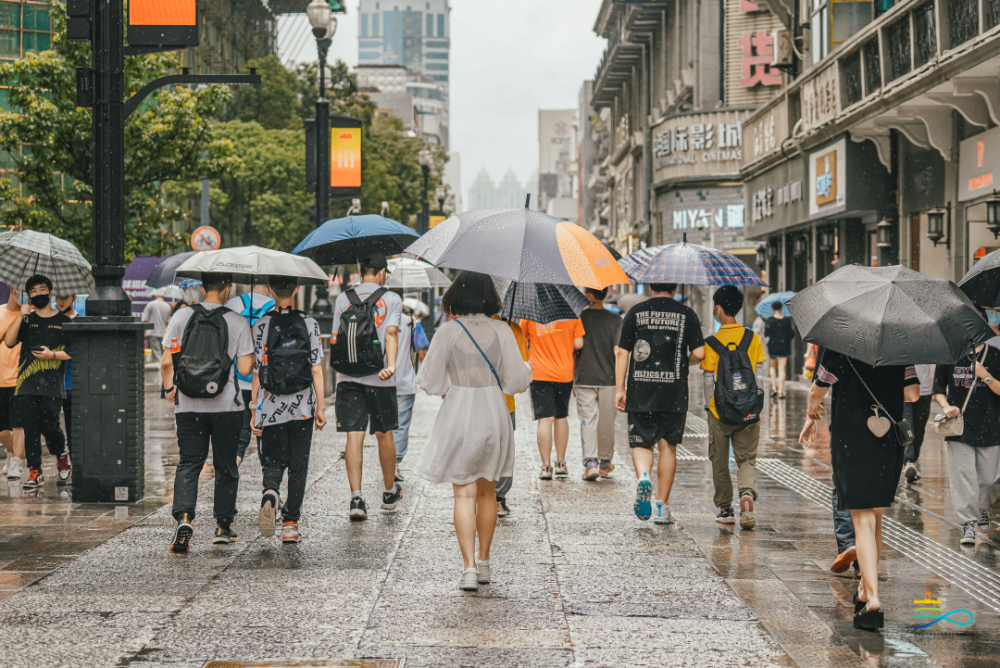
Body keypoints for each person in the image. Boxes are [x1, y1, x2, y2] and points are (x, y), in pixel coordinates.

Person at [414, 271, 532, 590]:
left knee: (463, 493)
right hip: (494, 411)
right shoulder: (502, 329)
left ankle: (467, 568)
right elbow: (517, 381)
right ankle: (484, 561)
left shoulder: (448, 331)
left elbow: (430, 381)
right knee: (487, 492)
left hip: (459, 412)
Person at [800, 351, 918, 630]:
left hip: (852, 438)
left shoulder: (840, 345)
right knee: (876, 519)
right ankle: (865, 588)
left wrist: (812, 409)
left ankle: (874, 599)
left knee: (862, 520)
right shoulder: (898, 345)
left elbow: (819, 386)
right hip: (888, 439)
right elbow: (912, 394)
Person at [161, 273, 254, 552]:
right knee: (225, 465)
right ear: (228, 288)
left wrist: (169, 389)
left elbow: (167, 362)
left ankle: (185, 517)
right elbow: (246, 369)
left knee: (189, 462)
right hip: (227, 406)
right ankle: (223, 526)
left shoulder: (181, 316)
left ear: (202, 287)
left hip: (188, 405)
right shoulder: (237, 321)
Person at [615, 283, 705, 524]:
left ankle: (644, 476)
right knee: (668, 446)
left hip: (640, 389)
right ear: (675, 287)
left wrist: (619, 389)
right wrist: (686, 361)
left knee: (642, 443)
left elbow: (622, 352)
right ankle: (662, 508)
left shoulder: (636, 312)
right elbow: (700, 353)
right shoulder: (687, 314)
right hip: (674, 391)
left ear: (651, 286)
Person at [251, 276, 326, 544]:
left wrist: (254, 411)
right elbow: (316, 368)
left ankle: (270, 491)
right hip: (303, 406)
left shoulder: (261, 325)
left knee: (272, 459)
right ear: (296, 288)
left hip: (270, 406)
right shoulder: (309, 324)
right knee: (298, 465)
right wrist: (321, 407)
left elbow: (258, 373)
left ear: (270, 290)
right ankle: (290, 524)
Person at [332, 252, 402, 521]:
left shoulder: (343, 298)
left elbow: (337, 338)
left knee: (354, 434)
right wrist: (392, 365)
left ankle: (357, 497)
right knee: (384, 433)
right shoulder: (392, 298)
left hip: (347, 376)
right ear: (382, 272)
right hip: (380, 376)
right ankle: (388, 492)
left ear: (361, 271)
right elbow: (392, 333)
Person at [700, 285, 766, 529]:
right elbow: (759, 377)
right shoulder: (753, 338)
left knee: (718, 460)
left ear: (717, 308)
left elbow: (708, 379)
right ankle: (747, 494)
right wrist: (757, 409)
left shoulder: (711, 343)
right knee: (747, 459)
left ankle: (726, 508)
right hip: (748, 409)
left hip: (720, 411)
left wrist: (710, 407)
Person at [933, 311, 1000, 545]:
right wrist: (946, 405)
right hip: (959, 427)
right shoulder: (950, 355)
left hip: (991, 425)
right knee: (963, 477)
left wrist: (987, 377)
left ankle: (982, 508)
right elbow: (938, 390)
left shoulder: (996, 356)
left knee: (991, 480)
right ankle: (968, 525)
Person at [3, 275, 71, 488]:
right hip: (26, 384)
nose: (38, 294)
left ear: (50, 293)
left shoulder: (63, 322)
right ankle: (35, 472)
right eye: (33, 291)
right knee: (30, 428)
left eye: (42, 290)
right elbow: (9, 341)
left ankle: (61, 454)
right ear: (29, 296)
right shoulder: (26, 319)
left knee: (51, 427)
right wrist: (19, 315)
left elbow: (72, 352)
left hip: (52, 384)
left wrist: (52, 355)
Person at [521, 317, 585, 479]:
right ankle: (560, 462)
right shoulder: (570, 313)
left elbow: (521, 338)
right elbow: (579, 344)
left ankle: (546, 466)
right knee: (560, 417)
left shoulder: (531, 314)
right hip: (564, 372)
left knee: (545, 418)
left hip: (539, 372)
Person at [575, 287, 622, 481]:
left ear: (588, 294)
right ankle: (604, 462)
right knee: (607, 422)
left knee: (588, 419)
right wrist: (621, 385)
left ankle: (590, 463)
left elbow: (574, 349)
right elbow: (618, 352)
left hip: (584, 377)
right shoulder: (616, 320)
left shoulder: (579, 318)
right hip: (609, 379)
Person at [226, 285, 275, 467]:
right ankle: (269, 486)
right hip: (264, 382)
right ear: (270, 285)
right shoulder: (276, 308)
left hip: (235, 380)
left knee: (239, 439)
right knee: (266, 437)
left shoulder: (233, 304)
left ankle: (227, 481)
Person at [490, 315, 529, 517]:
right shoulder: (514, 329)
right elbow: (522, 369)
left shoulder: (472, 326)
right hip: (505, 402)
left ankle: (479, 494)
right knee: (504, 452)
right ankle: (498, 497)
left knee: (480, 447)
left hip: (478, 400)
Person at [392, 307, 430, 480]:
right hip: (405, 381)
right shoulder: (412, 323)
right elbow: (422, 353)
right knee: (401, 425)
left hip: (380, 381)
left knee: (385, 425)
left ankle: (387, 461)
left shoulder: (377, 320)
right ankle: (394, 464)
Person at [55, 294, 78, 476]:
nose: (60, 301)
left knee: (72, 425)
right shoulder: (51, 320)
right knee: (51, 425)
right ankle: (62, 455)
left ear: (74, 297)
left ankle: (74, 460)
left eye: (64, 297)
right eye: (57, 297)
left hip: (71, 382)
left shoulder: (79, 321)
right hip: (51, 382)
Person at [1, 287, 22, 480]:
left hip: (19, 380)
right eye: (19, 289)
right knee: (2, 430)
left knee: (17, 425)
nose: (21, 293)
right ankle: (10, 453)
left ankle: (16, 462)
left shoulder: (28, 317)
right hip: (0, 379)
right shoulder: (0, 312)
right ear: (11, 289)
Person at [903, 364, 935, 483]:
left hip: (925, 389)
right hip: (904, 386)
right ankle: (909, 460)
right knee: (907, 425)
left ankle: (913, 459)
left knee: (919, 428)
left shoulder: (929, 345)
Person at [764, 302, 793, 398]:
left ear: (772, 309)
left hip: (772, 346)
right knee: (782, 369)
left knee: (772, 367)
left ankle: (774, 388)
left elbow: (766, 333)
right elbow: (791, 334)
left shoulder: (769, 320)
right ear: (781, 309)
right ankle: (781, 391)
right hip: (784, 346)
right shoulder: (786, 321)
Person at [142, 293, 172, 363]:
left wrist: (144, 331)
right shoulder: (167, 306)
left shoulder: (151, 304)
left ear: (156, 295)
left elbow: (145, 319)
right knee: (162, 353)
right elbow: (168, 321)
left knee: (156, 353)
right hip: (163, 334)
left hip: (153, 332)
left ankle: (160, 370)